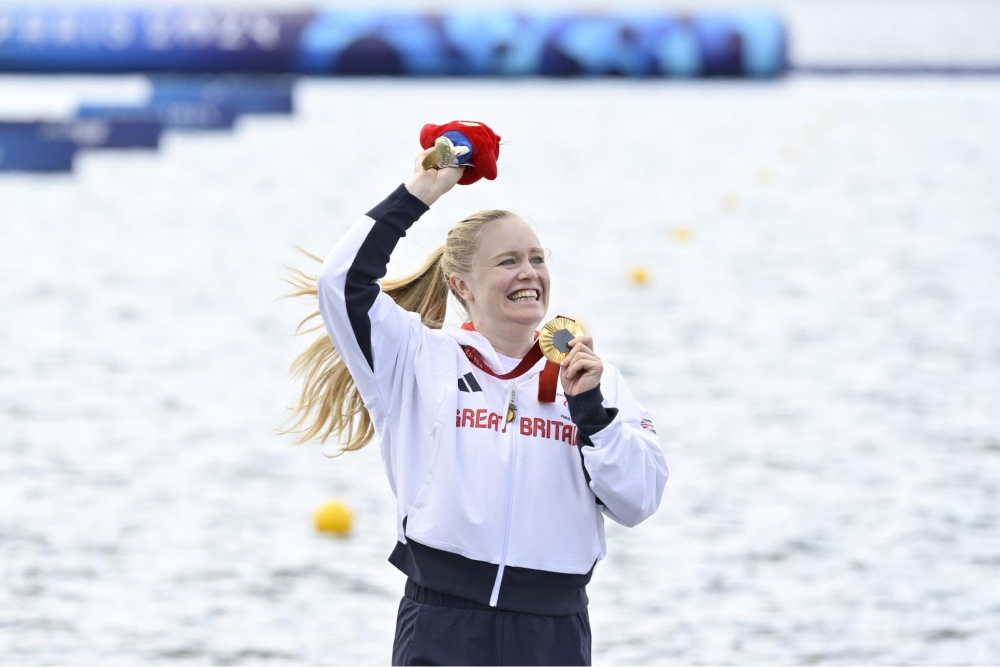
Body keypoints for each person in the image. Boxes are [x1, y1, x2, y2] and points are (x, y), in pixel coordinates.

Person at [281, 147, 669, 666]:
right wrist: (421, 192)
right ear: (461, 284)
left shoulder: (593, 380)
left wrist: (592, 413)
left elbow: (638, 502)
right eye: (508, 261)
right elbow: (342, 283)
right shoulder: (415, 360)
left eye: (536, 259)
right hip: (443, 626)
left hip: (552, 633)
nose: (528, 273)